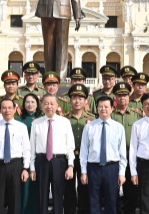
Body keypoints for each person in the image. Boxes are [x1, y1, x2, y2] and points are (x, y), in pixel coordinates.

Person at [80, 96, 127, 214]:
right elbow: (84, 151)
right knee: (93, 201)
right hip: (93, 168)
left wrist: (121, 173)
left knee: (111, 202)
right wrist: (84, 171)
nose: (103, 109)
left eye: (106, 106)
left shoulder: (118, 128)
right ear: (97, 108)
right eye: (100, 106)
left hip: (111, 168)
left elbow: (122, 153)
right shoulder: (89, 127)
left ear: (112, 108)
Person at [30, 94, 75, 214]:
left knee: (58, 195)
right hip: (41, 161)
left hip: (59, 161)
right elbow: (32, 147)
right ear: (42, 106)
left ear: (57, 106)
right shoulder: (36, 123)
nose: (49, 106)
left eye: (52, 104)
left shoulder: (65, 122)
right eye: (46, 103)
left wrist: (70, 165)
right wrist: (32, 168)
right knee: (42, 195)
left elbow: (70, 146)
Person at [0, 98, 31, 214]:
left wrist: (26, 168)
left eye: (10, 108)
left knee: (14, 199)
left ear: (15, 109)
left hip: (15, 165)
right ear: (0, 110)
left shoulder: (21, 127)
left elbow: (26, 149)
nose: (7, 110)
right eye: (4, 108)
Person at [110, 82, 141, 214]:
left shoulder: (137, 115)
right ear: (115, 98)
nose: (122, 98)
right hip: (114, 156)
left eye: (125, 95)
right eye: (119, 95)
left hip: (131, 155)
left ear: (129, 97)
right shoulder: (110, 115)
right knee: (113, 190)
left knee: (132, 190)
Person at [64, 84, 94, 214]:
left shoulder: (92, 119)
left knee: (84, 189)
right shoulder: (64, 119)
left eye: (80, 98)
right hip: (68, 158)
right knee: (68, 190)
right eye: (74, 98)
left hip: (85, 158)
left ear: (85, 101)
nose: (77, 101)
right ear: (70, 100)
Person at [16, 93, 43, 214]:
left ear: (37, 104)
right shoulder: (19, 120)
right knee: (24, 189)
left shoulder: (43, 118)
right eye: (27, 102)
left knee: (37, 188)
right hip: (23, 158)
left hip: (39, 158)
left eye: (33, 102)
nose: (30, 104)